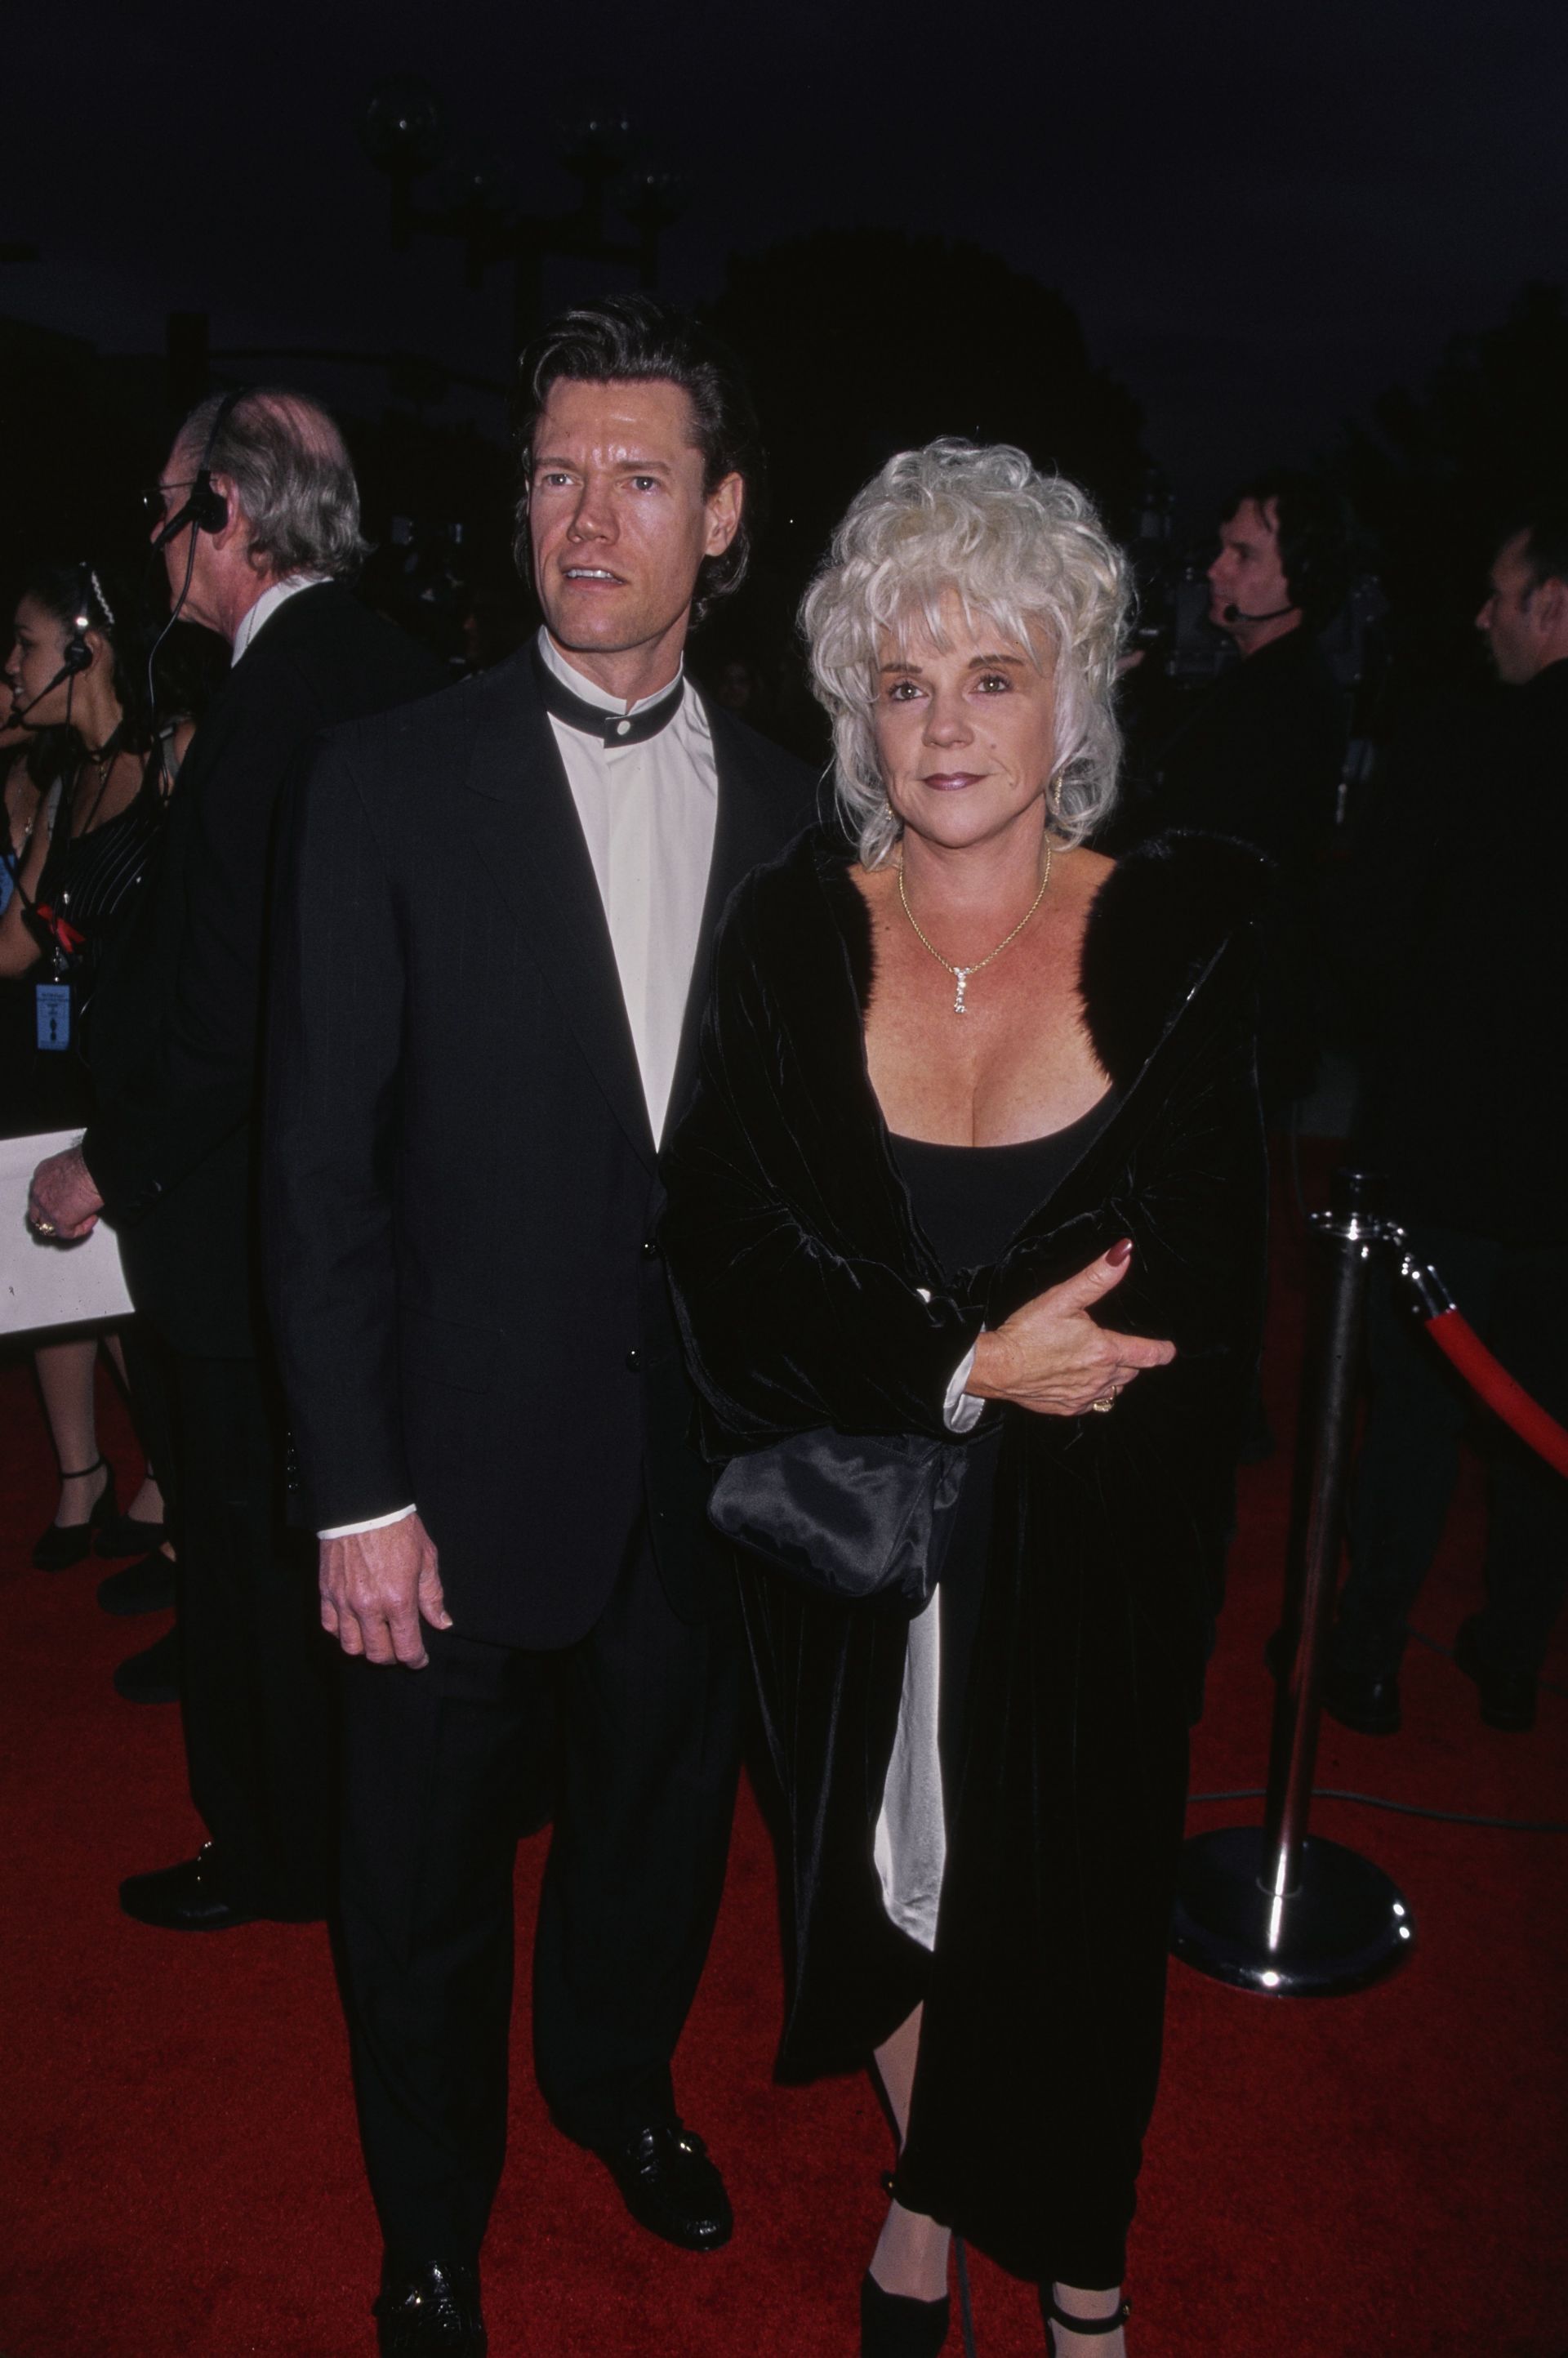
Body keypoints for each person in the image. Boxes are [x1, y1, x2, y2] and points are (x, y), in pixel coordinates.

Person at [661, 442, 1268, 2358]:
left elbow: (1206, 1303)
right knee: (869, 1897)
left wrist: (1048, 1401)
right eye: (901, 680)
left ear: (1070, 690)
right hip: (848, 1538)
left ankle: (1079, 2270)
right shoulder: (783, 938)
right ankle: (926, 2186)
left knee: (1062, 1926)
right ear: (852, 703)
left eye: (992, 673)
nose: (945, 723)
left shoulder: (1174, 940)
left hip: (1089, 1557)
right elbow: (728, 1260)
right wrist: (957, 1361)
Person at [264, 296, 814, 2355]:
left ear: (724, 514)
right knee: (413, 1880)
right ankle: (429, 2220)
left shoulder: (791, 809)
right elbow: (311, 1171)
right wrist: (356, 1493)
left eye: (640, 474)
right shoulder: (385, 781)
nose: (588, 515)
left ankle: (614, 2082)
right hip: (443, 1467)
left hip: (698, 1462)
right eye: (555, 471)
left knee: (661, 1827)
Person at [26, 387, 443, 1925]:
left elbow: (232, 1011)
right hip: (375, 1204)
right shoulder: (399, 669)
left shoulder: (274, 706)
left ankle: (268, 1849)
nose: (154, 535)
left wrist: (104, 1167)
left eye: (168, 504)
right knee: (331, 1520)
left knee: (255, 1547)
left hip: (247, 1215)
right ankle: (346, 1832)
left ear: (229, 514)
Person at [1324, 504, 1568, 1736]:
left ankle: (1367, 1658)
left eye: (1501, 591)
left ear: (1556, 606)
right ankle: (1514, 1657)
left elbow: (1367, 941)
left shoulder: (1457, 741)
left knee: (1412, 1417)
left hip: (1447, 1152)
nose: (1483, 614)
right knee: (1548, 1434)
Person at [1, 564, 181, 1580]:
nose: (13, 669)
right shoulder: (68, 784)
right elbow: (17, 948)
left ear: (86, 643)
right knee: (114, 1301)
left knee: (157, 1318)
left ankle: (188, 1527)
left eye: (25, 645)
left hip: (163, 1093)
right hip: (90, 1081)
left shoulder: (174, 758)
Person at [1128, 470, 1350, 1112]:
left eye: (1243, 554)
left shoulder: (1284, 699)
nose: (1216, 571)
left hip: (1234, 1024)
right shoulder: (1258, 684)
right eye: (1220, 550)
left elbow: (1194, 842)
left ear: (1302, 576)